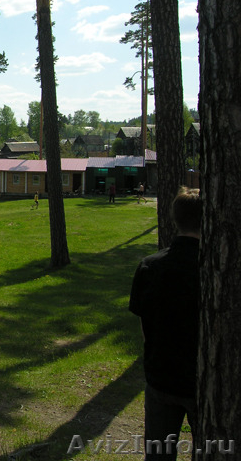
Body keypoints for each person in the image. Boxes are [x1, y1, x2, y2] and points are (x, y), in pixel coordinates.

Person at [129, 187, 200, 460]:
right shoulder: (218, 269)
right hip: (201, 381)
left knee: (158, 455)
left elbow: (145, 327)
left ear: (175, 219)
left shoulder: (149, 266)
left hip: (161, 377)